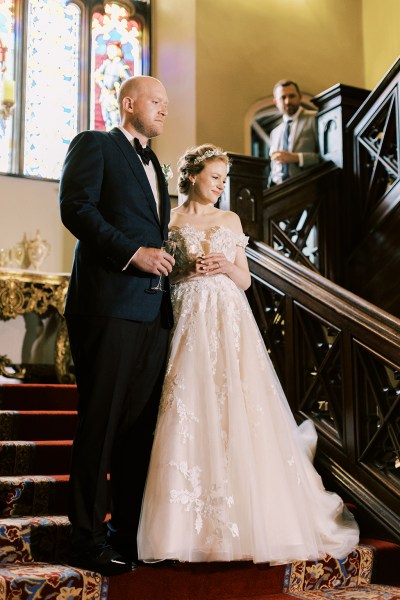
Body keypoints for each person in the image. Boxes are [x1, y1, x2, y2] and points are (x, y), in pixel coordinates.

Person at [137, 143, 359, 564]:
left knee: (236, 403)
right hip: (186, 314)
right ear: (192, 176)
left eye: (225, 178)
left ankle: (249, 517)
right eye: (215, 177)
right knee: (188, 405)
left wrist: (223, 266)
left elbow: (244, 280)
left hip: (228, 319)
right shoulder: (170, 218)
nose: (221, 186)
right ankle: (182, 528)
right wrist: (187, 269)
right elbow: (165, 271)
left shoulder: (231, 218)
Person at [59, 75, 174, 576]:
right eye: (156, 101)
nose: (165, 110)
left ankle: (123, 534)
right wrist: (133, 254)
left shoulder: (158, 167)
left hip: (153, 313)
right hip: (107, 305)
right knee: (101, 425)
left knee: (138, 432)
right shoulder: (95, 144)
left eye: (167, 104)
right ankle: (84, 540)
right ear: (128, 104)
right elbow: (75, 208)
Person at [269, 79, 320, 185]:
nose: (288, 101)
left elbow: (328, 157)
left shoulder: (315, 118)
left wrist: (296, 158)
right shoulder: (274, 132)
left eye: (291, 96)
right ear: (275, 102)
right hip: (277, 192)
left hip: (305, 189)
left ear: (300, 97)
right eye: (283, 98)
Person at [94, 41, 132, 130]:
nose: (110, 53)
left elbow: (128, 81)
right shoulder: (106, 63)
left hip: (115, 97)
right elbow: (98, 75)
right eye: (109, 50)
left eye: (112, 50)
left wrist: (119, 88)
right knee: (106, 118)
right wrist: (102, 86)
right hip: (105, 96)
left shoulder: (121, 65)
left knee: (115, 120)